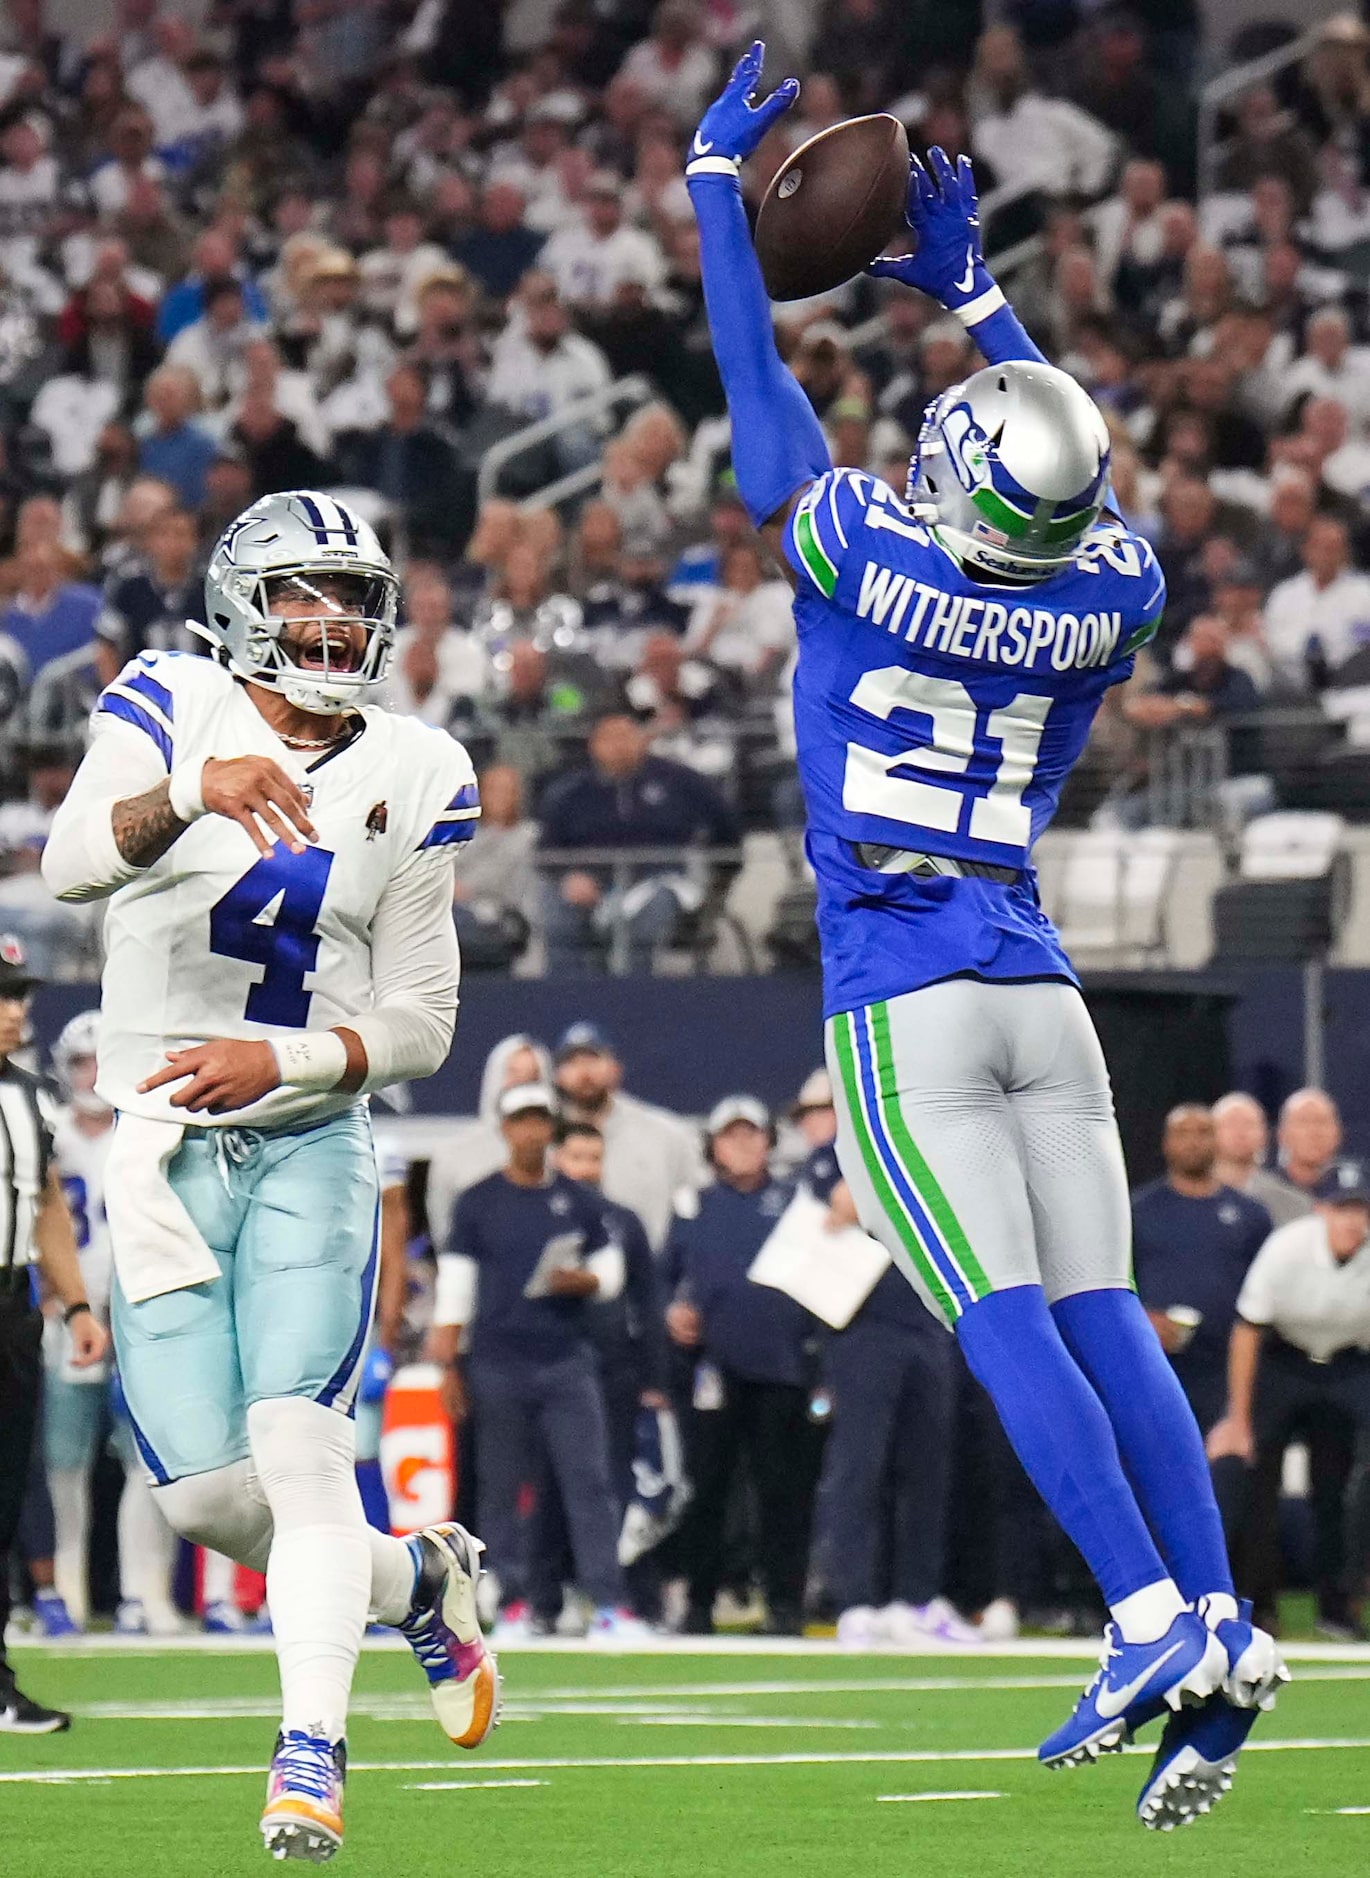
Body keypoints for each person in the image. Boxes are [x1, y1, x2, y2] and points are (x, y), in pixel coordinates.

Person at [685, 45, 1284, 1831]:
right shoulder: (1111, 592)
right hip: (1040, 990)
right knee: (1109, 1315)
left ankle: (1149, 1614)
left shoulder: (865, 548)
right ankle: (1223, 1615)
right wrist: (981, 300)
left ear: (953, 482)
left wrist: (723, 197)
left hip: (905, 992)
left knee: (1001, 1312)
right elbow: (1077, 465)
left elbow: (755, 381)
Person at [40, 490, 497, 1860]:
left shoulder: (416, 765)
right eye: (306, 593)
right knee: (204, 1499)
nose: (333, 621)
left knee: (303, 1453)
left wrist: (286, 1062)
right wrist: (194, 788)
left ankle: (309, 1759)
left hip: (305, 1139)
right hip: (159, 1156)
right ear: (244, 601)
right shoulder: (170, 695)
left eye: (354, 598)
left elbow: (421, 1021)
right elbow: (65, 866)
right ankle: (423, 1570)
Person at [430, 1082, 636, 1636]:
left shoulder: (577, 1199)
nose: (531, 1131)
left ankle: (609, 1603)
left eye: (540, 1120)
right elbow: (456, 1286)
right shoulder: (479, 1202)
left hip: (566, 1359)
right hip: (499, 1361)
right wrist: (449, 1364)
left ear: (550, 1128)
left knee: (588, 1483)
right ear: (504, 1128)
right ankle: (514, 1599)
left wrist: (583, 1281)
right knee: (502, 1487)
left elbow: (612, 1272)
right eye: (521, 1120)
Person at [804, 1137, 970, 1648]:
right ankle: (854, 1601)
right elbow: (817, 1219)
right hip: (863, 1329)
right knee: (860, 1468)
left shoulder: (939, 1149)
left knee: (928, 1470)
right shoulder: (834, 1156)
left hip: (930, 1323)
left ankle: (915, 1599)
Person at [0, 939, 107, 1732]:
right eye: (2, 997)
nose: (14, 1012)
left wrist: (74, 1306)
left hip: (11, 1305)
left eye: (19, 997)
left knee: (6, 1494)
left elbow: (46, 1210)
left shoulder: (31, 1098)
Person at [44, 1009, 178, 1634]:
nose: (93, 1076)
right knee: (63, 1462)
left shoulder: (146, 1131)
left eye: (103, 1062)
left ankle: (139, 1592)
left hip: (136, 1310)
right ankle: (66, 1588)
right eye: (82, 1063)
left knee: (144, 1462)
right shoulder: (48, 1132)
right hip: (64, 1315)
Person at [665, 1096, 820, 1636]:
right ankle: (699, 1603)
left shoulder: (796, 1202)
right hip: (713, 1371)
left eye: (752, 1135)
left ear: (769, 1142)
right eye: (730, 1137)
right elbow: (667, 1280)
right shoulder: (694, 1207)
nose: (743, 1145)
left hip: (782, 1369)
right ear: (713, 1147)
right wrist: (674, 1315)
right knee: (706, 1491)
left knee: (782, 1493)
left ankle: (784, 1605)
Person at [1208, 1160, 1370, 1640]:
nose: (1353, 1222)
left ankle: (1337, 1605)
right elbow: (1247, 1328)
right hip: (1283, 1361)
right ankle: (1258, 1607)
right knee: (1259, 1481)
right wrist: (1238, 1418)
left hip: (1347, 1364)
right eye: (1343, 1210)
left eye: (1361, 1211)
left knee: (1337, 1487)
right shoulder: (1286, 1249)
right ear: (1321, 1211)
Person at [538, 712, 740, 974]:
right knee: (554, 907)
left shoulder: (680, 781)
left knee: (654, 908)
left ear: (642, 740)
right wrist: (568, 876)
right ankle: (567, 999)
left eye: (626, 736)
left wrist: (719, 881)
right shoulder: (570, 793)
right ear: (594, 746)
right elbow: (546, 852)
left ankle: (634, 996)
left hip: (662, 881)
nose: (619, 745)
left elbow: (727, 829)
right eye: (609, 739)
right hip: (593, 887)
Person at [1130, 1106, 1273, 1436]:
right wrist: (1142, 1319)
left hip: (1228, 1371)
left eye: (1203, 1132)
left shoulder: (1251, 1215)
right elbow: (1115, 1283)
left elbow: (1269, 1289)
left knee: (1225, 1472)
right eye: (1182, 1133)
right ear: (1165, 1143)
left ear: (1217, 1140)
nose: (1193, 1142)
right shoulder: (1137, 1211)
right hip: (1156, 1365)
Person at [553, 1022, 706, 1252]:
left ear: (616, 1069)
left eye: (593, 1060)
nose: (584, 1073)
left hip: (648, 1277)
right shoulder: (540, 1136)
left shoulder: (666, 1135)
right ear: (557, 1076)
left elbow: (699, 1208)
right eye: (573, 1063)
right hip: (564, 1278)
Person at [1212, 1093, 1313, 1229]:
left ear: (1265, 1135)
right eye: (1230, 1123)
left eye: (1249, 1124)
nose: (1240, 1132)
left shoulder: (1294, 1202)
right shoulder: (1190, 1193)